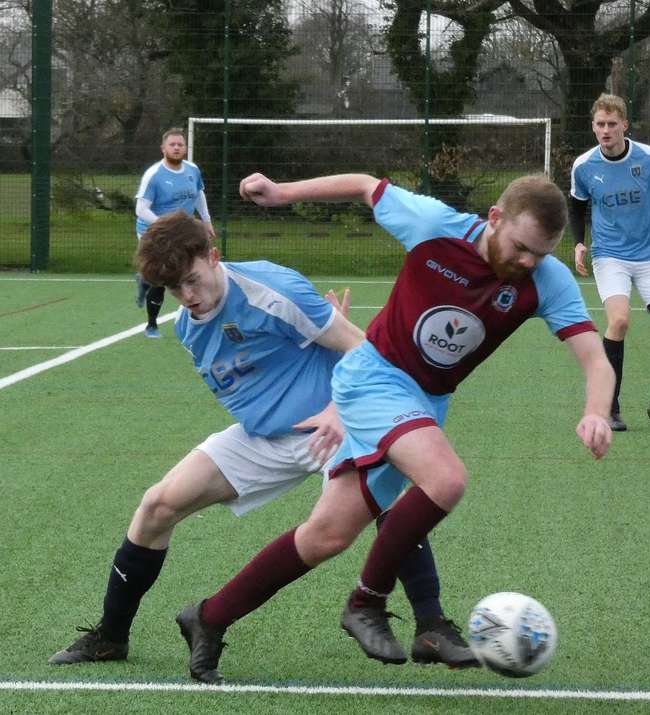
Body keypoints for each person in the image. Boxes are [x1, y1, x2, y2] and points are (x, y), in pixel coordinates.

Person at [170, 172, 614, 684]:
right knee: (445, 479)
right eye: (520, 247)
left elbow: (594, 359)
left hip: (425, 401)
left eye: (541, 252)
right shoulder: (434, 226)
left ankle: (208, 617)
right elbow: (365, 185)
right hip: (372, 377)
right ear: (494, 218)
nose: (528, 262)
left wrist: (596, 410)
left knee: (326, 536)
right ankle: (367, 603)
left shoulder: (546, 279)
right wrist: (283, 193)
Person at [48, 210, 477, 675]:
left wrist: (337, 405)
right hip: (267, 436)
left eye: (192, 281)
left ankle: (431, 625)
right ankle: (110, 636)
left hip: (337, 422)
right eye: (174, 290)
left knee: (386, 501)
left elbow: (365, 350)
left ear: (214, 256)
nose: (187, 297)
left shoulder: (271, 290)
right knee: (156, 506)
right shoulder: (189, 326)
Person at [569, 93, 650, 431]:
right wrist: (579, 243)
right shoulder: (584, 165)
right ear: (593, 127)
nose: (605, 130)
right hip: (610, 256)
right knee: (618, 321)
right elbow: (576, 206)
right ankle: (610, 407)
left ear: (624, 125)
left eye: (611, 124)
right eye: (600, 124)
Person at [134, 127, 215, 338]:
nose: (177, 148)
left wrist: (206, 221)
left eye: (180, 144)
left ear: (185, 149)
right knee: (162, 277)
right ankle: (152, 325)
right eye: (172, 144)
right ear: (163, 148)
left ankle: (203, 316)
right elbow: (141, 210)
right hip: (154, 232)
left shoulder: (192, 170)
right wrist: (165, 224)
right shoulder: (154, 175)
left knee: (193, 269)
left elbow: (199, 194)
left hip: (182, 231)